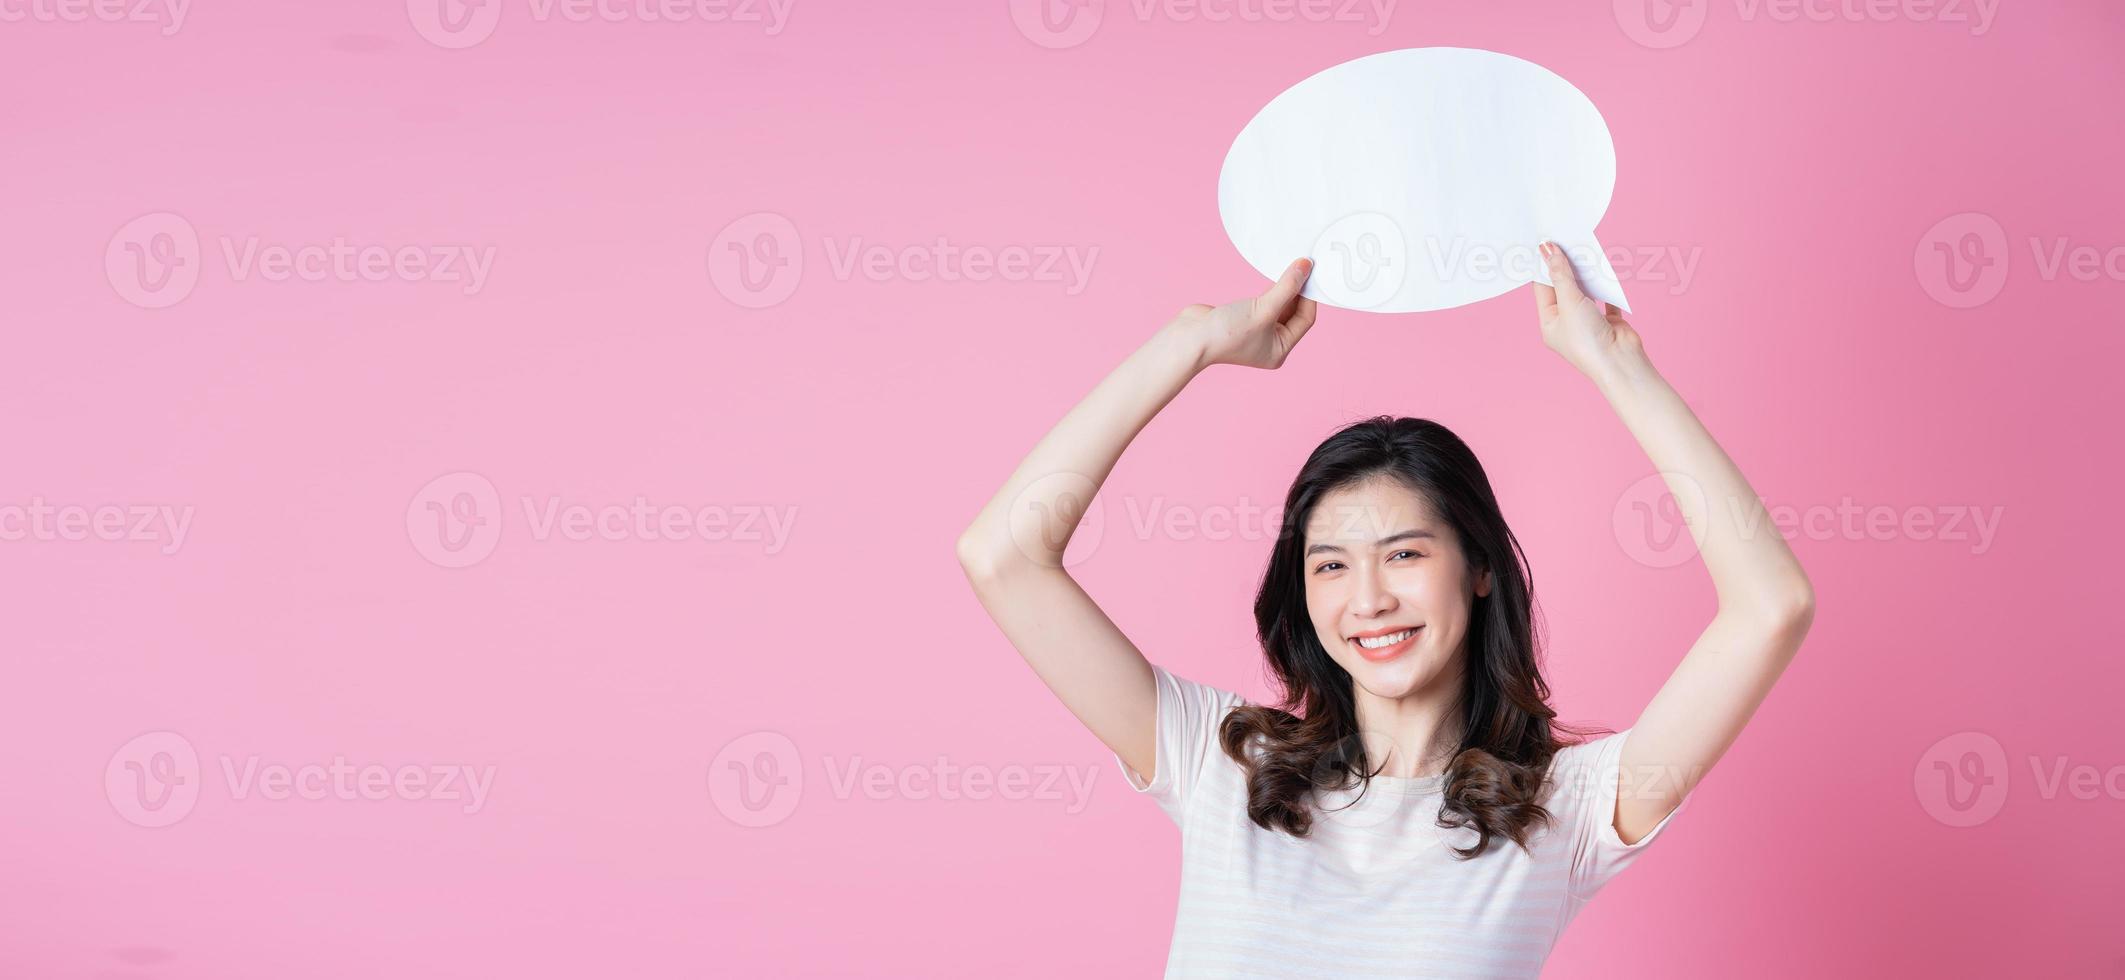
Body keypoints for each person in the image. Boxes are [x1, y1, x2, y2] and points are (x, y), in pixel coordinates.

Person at [954, 244, 1816, 978]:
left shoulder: (1566, 808)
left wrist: (1618, 368)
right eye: (1329, 565)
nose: (1367, 600)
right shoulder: (1224, 764)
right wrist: (1192, 342)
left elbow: (1769, 606)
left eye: (1404, 554)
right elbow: (1004, 557)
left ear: (1478, 567)